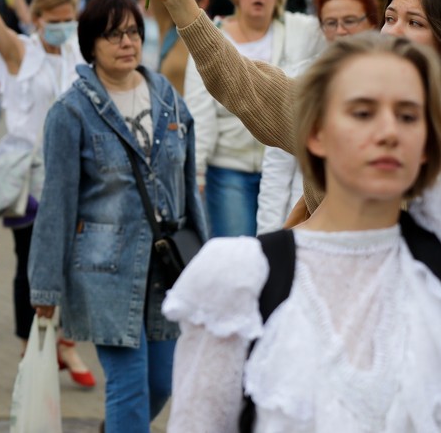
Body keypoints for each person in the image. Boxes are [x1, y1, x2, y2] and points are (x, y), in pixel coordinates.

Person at [163, 33, 441, 430]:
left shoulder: (429, 280)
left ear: (427, 144)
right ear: (315, 133)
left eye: (409, 116)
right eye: (363, 113)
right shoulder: (243, 278)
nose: (388, 132)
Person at [121, 0, 441, 233]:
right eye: (389, 18)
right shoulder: (335, 101)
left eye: (414, 23)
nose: (393, 31)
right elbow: (244, 82)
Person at [29, 0, 207, 430]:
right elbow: (57, 203)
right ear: (90, 45)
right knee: (129, 384)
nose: (127, 42)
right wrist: (46, 288)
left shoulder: (167, 97)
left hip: (167, 267)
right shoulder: (70, 111)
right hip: (105, 269)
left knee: (162, 382)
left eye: (132, 32)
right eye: (113, 34)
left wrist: (204, 258)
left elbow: (187, 186)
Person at [0, 0, 96, 386]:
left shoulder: (80, 53)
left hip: (75, 172)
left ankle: (66, 343)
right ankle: (29, 347)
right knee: (30, 260)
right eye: (54, 21)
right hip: (29, 175)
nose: (63, 27)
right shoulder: (20, 52)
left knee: (74, 261)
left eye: (69, 19)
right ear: (37, 18)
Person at [183, 0, 323, 237]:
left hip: (283, 169)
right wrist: (197, 171)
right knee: (239, 252)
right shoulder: (214, 35)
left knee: (280, 248)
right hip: (229, 168)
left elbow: (344, 22)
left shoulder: (299, 30)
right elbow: (199, 110)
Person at [256, 0, 378, 234]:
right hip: (308, 222)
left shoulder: (394, 77)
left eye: (350, 21)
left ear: (372, 23)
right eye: (331, 23)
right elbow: (277, 167)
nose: (340, 31)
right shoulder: (301, 78)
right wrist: (268, 237)